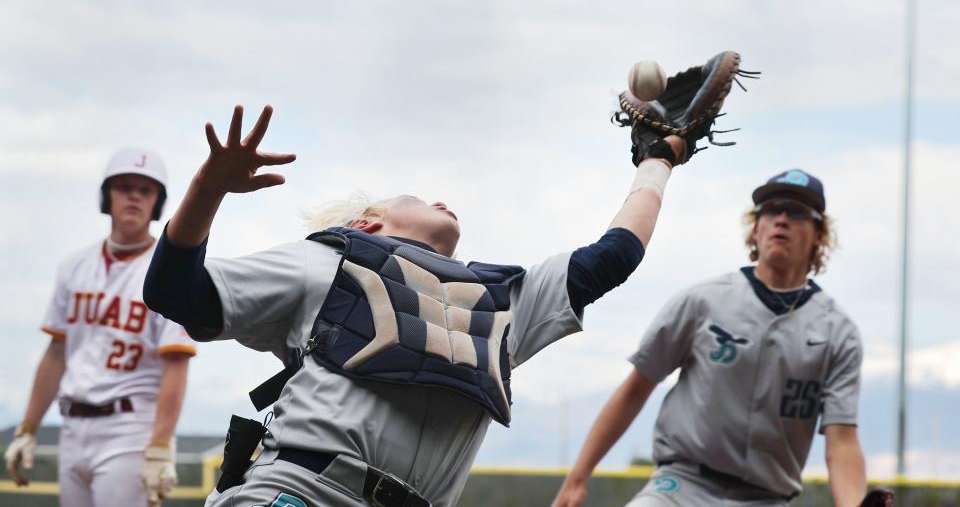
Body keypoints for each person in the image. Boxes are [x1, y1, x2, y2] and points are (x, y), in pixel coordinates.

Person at [143, 104, 691, 507]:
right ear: (366, 222)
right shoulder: (331, 258)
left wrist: (656, 161)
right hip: (298, 494)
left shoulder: (501, 302)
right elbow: (176, 292)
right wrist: (207, 188)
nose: (439, 201)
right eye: (419, 198)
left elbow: (615, 255)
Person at [551, 169, 868, 507]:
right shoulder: (703, 302)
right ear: (756, 226)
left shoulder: (838, 333)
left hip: (769, 498)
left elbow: (842, 440)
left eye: (797, 212)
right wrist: (577, 478)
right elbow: (635, 389)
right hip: (681, 487)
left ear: (820, 233)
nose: (782, 219)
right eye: (772, 209)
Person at [4, 149, 197, 507]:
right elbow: (57, 353)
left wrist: (159, 446)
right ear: (107, 196)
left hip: (130, 427)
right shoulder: (74, 265)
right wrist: (28, 428)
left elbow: (176, 364)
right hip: (73, 425)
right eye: (124, 186)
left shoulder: (167, 273)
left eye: (146, 189)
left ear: (157, 203)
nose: (134, 195)